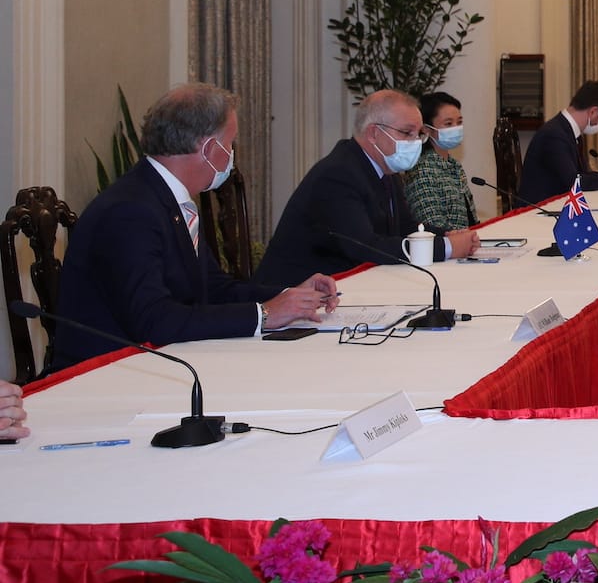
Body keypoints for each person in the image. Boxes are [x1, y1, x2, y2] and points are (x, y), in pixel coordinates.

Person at [49, 84, 339, 372]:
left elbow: (213, 288)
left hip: (155, 363)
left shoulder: (165, 197)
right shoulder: (130, 211)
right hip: (105, 375)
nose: (232, 153)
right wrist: (265, 314)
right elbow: (154, 319)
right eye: (231, 143)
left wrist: (290, 296)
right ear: (211, 149)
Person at [257, 89, 479, 286]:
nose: (415, 142)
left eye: (418, 134)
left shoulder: (385, 168)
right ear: (374, 133)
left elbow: (406, 227)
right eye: (406, 132)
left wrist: (448, 235)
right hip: (291, 297)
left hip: (347, 287)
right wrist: (446, 247)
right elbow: (366, 247)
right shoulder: (339, 174)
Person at [519, 81, 598, 205]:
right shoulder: (554, 135)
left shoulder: (568, 131)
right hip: (539, 211)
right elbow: (573, 181)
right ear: (593, 112)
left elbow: (581, 174)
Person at [404, 91, 479, 234]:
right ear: (427, 129)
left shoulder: (454, 165)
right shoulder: (421, 169)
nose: (456, 128)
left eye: (459, 122)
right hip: (445, 248)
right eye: (448, 123)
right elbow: (433, 226)